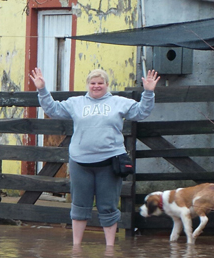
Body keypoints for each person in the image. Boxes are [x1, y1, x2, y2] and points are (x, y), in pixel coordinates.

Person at [29, 67, 160, 246]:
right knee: (79, 206)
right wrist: (42, 89)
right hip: (80, 162)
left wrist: (148, 92)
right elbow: (53, 110)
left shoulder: (119, 102)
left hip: (110, 162)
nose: (96, 86)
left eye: (100, 83)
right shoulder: (76, 103)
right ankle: (76, 247)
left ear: (107, 85)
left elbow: (141, 112)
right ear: (88, 85)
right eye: (93, 83)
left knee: (108, 206)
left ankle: (110, 248)